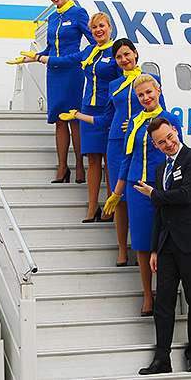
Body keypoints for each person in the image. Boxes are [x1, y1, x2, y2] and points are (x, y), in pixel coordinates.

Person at [60, 39, 164, 264]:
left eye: (127, 54)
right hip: (116, 143)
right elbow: (106, 117)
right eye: (119, 57)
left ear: (135, 54)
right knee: (120, 197)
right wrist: (78, 116)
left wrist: (140, 124)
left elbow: (160, 112)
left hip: (142, 143)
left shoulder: (149, 80)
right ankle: (122, 250)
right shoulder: (114, 84)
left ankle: (144, 249)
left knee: (141, 194)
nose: (124, 59)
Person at [133, 117, 191, 375]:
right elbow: (159, 211)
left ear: (176, 132)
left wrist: (154, 194)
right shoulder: (161, 170)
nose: (168, 143)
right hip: (167, 244)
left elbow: (186, 195)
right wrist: (154, 249)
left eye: (169, 137)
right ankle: (162, 358)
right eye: (161, 142)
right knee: (163, 303)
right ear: (155, 146)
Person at [28, 13, 120, 222]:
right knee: (93, 160)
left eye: (102, 26)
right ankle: (92, 207)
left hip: (108, 110)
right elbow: (67, 60)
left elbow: (123, 82)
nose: (98, 30)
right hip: (88, 109)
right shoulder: (89, 51)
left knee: (108, 160)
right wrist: (39, 58)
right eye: (94, 27)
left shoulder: (116, 52)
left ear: (110, 28)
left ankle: (109, 207)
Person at [103, 75, 182, 316]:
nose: (146, 97)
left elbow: (179, 150)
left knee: (165, 242)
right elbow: (127, 158)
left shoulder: (170, 119)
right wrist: (117, 192)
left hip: (162, 186)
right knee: (142, 243)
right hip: (137, 188)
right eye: (141, 95)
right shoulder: (134, 122)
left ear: (158, 91)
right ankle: (148, 295)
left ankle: (165, 294)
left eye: (149, 92)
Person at [7, 0, 92, 183]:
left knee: (74, 119)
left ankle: (79, 166)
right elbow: (50, 49)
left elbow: (93, 44)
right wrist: (32, 57)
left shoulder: (78, 13)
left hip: (72, 71)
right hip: (54, 73)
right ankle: (62, 168)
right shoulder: (52, 18)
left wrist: (76, 58)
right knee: (59, 120)